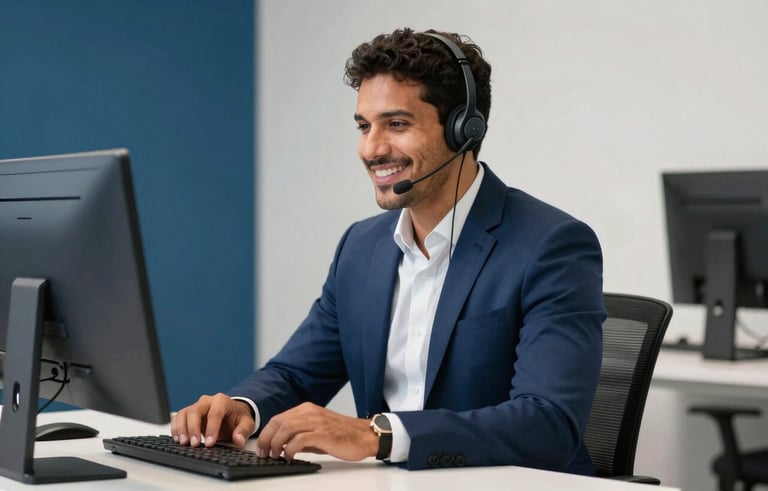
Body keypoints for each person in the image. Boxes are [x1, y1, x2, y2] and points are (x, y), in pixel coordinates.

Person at [171, 27, 605, 475]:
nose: (371, 148)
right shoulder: (362, 247)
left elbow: (548, 422)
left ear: (463, 128)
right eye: (364, 126)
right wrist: (243, 409)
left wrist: (377, 435)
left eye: (396, 124)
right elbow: (297, 374)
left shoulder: (551, 245)